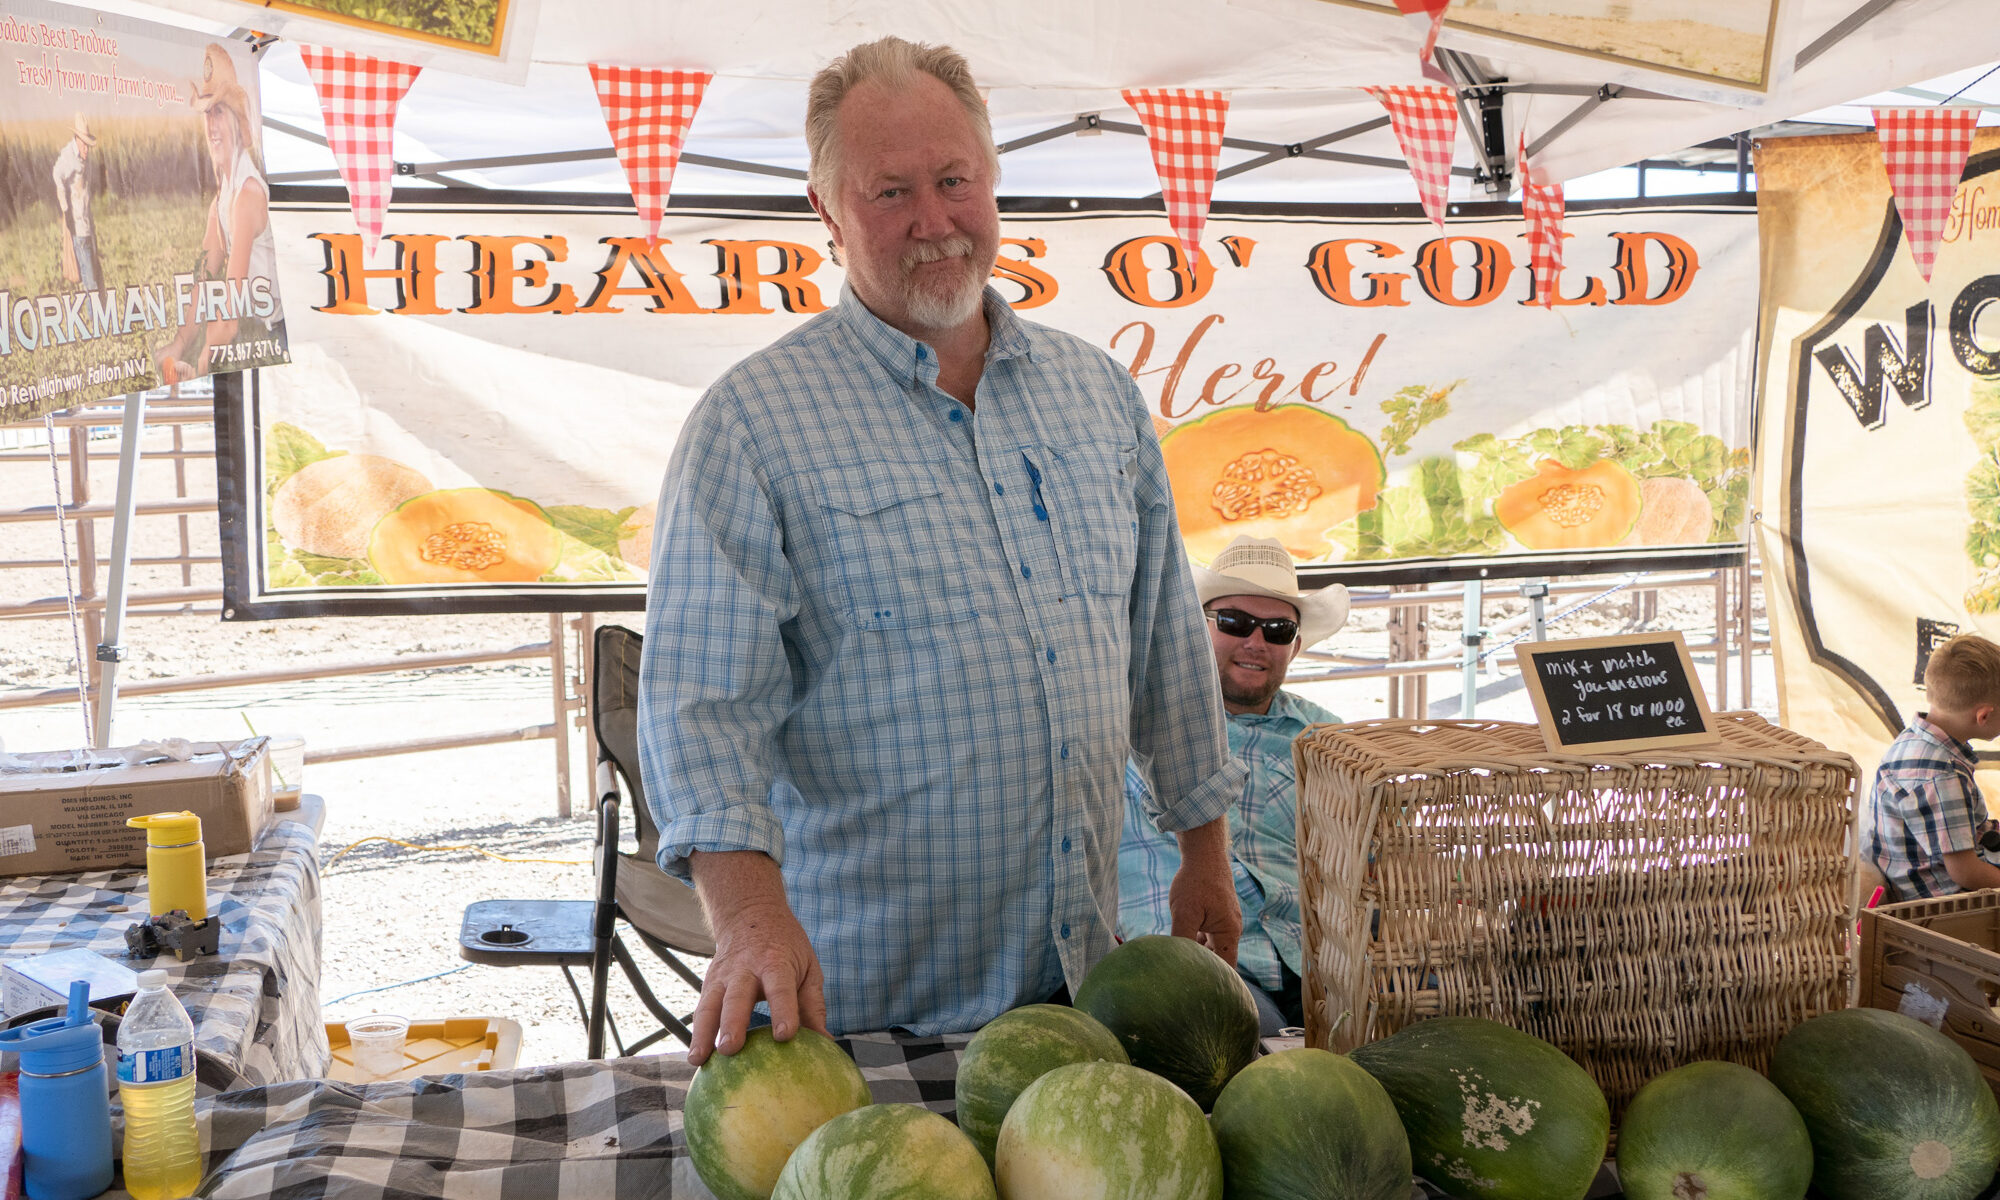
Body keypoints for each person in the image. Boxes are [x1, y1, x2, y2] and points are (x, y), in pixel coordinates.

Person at [636, 36, 1246, 1065]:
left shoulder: (1094, 393)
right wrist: (744, 919)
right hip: (866, 1011)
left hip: (1078, 993)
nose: (933, 221)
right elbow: (699, 712)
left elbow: (1161, 650)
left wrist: (1205, 854)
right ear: (827, 214)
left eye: (954, 180)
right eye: (890, 193)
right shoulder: (751, 426)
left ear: (992, 179)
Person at [1120, 534, 1347, 1035]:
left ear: (1297, 646)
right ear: (1194, 632)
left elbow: (1387, 853)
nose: (1256, 641)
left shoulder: (1333, 742)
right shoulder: (1131, 728)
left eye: (1278, 629)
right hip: (1192, 968)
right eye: (1234, 622)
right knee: (1237, 1042)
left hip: (1327, 966)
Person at [156, 43, 282, 385]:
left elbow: (231, 313)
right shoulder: (222, 196)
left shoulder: (247, 194)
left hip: (268, 333)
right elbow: (204, 276)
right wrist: (179, 343)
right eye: (207, 114)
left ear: (237, 121)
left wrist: (199, 363)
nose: (212, 125)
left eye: (219, 112)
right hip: (251, 330)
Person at [1867, 633, 2000, 900]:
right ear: (1984, 715)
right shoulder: (1942, 775)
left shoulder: (1914, 739)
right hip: (1947, 904)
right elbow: (1965, 872)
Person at [52, 114, 100, 291]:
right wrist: (65, 209)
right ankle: (95, 317)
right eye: (83, 144)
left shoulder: (83, 158)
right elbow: (57, 175)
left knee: (94, 275)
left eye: (88, 145)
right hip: (78, 228)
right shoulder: (68, 157)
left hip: (87, 224)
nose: (86, 149)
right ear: (77, 139)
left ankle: (96, 314)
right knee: (90, 281)